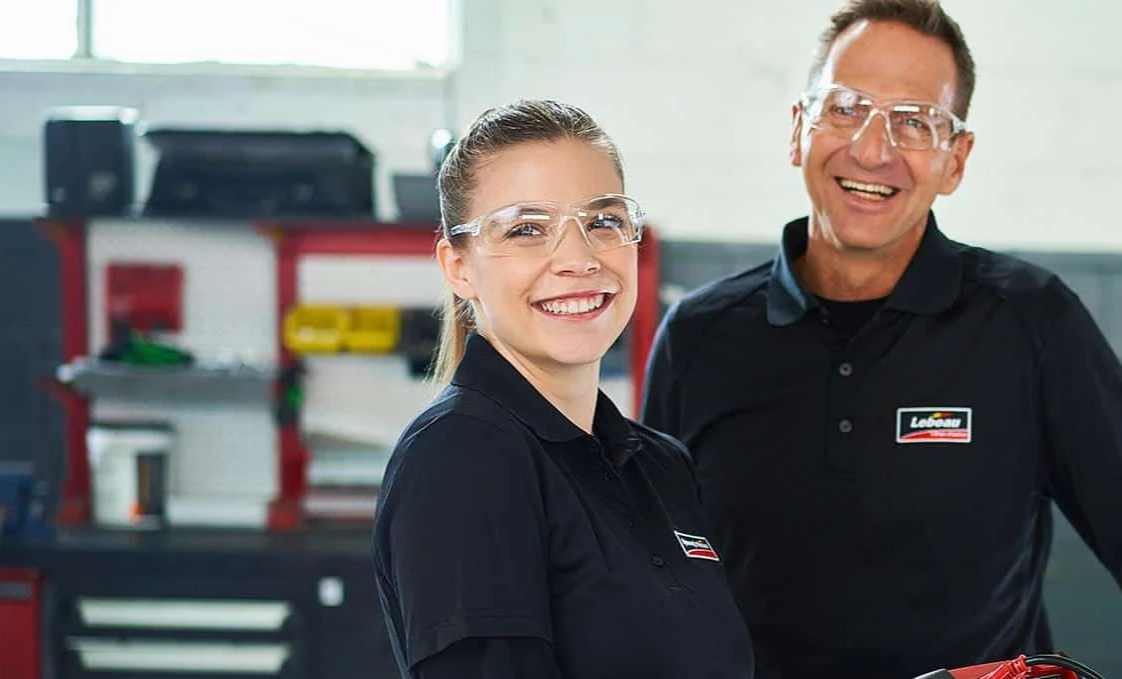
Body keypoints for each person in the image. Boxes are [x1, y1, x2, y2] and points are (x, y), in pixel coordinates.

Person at [639, 2, 1122, 679]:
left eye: (915, 121)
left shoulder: (1033, 324)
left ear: (956, 159)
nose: (872, 148)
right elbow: (649, 585)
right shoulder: (697, 337)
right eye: (844, 107)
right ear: (798, 129)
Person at [372, 99, 755, 679]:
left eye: (604, 221)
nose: (577, 259)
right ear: (458, 266)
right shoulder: (463, 457)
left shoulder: (660, 466)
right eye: (527, 229)